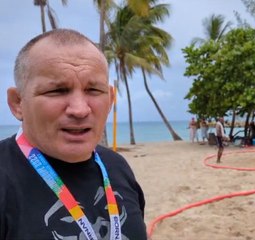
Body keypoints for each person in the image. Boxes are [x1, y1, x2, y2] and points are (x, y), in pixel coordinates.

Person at [1, 29, 147, 239]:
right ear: (17, 103)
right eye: (57, 91)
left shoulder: (117, 166)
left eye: (94, 90)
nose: (80, 110)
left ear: (110, 100)